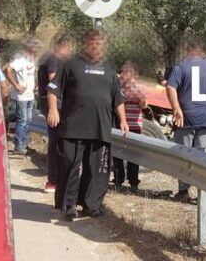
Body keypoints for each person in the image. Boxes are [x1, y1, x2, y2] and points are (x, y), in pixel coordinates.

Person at [46, 29, 129, 221]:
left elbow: (118, 98)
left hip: (100, 128)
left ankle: (91, 206)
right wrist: (53, 110)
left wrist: (123, 120)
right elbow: (53, 89)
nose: (95, 46)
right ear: (84, 44)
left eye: (99, 43)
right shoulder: (71, 65)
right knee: (70, 167)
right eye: (92, 42)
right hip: (73, 127)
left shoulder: (109, 69)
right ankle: (69, 205)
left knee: (98, 170)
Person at [166, 36, 206, 201]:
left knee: (184, 155)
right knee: (203, 157)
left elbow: (170, 87)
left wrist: (176, 109)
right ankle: (202, 194)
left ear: (189, 49)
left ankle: (183, 191)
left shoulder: (182, 67)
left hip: (186, 118)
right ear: (203, 51)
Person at [37, 32, 74, 193]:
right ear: (64, 45)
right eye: (70, 47)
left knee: (57, 141)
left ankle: (56, 179)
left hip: (53, 104)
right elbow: (54, 82)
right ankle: (53, 180)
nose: (71, 51)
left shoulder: (50, 58)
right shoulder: (54, 59)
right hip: (55, 106)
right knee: (56, 142)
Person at [113, 60, 146, 193]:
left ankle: (133, 182)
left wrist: (140, 97)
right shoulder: (118, 87)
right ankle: (118, 180)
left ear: (134, 74)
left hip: (134, 124)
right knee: (118, 153)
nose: (124, 74)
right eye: (123, 71)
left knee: (133, 155)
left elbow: (144, 105)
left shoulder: (139, 87)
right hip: (120, 124)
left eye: (128, 72)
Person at [5, 37, 42, 155]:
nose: (37, 51)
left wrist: (35, 86)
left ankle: (24, 145)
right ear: (30, 49)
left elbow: (32, 74)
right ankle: (18, 146)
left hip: (30, 96)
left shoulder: (32, 61)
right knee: (22, 120)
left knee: (28, 120)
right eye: (36, 48)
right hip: (21, 97)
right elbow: (7, 70)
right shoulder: (20, 60)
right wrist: (16, 85)